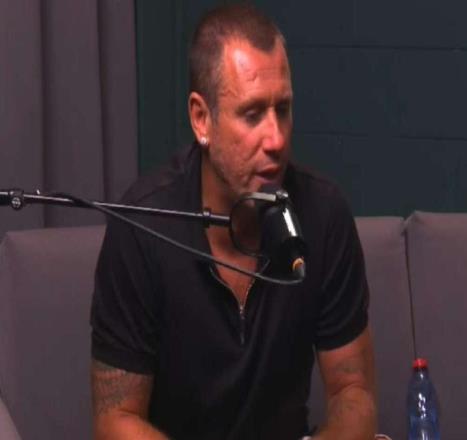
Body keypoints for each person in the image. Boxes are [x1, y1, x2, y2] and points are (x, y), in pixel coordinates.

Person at [90, 4, 376, 440]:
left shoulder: (323, 214)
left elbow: (354, 394)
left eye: (283, 109)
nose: (276, 138)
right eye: (252, 114)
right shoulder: (142, 224)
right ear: (201, 119)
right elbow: (115, 419)